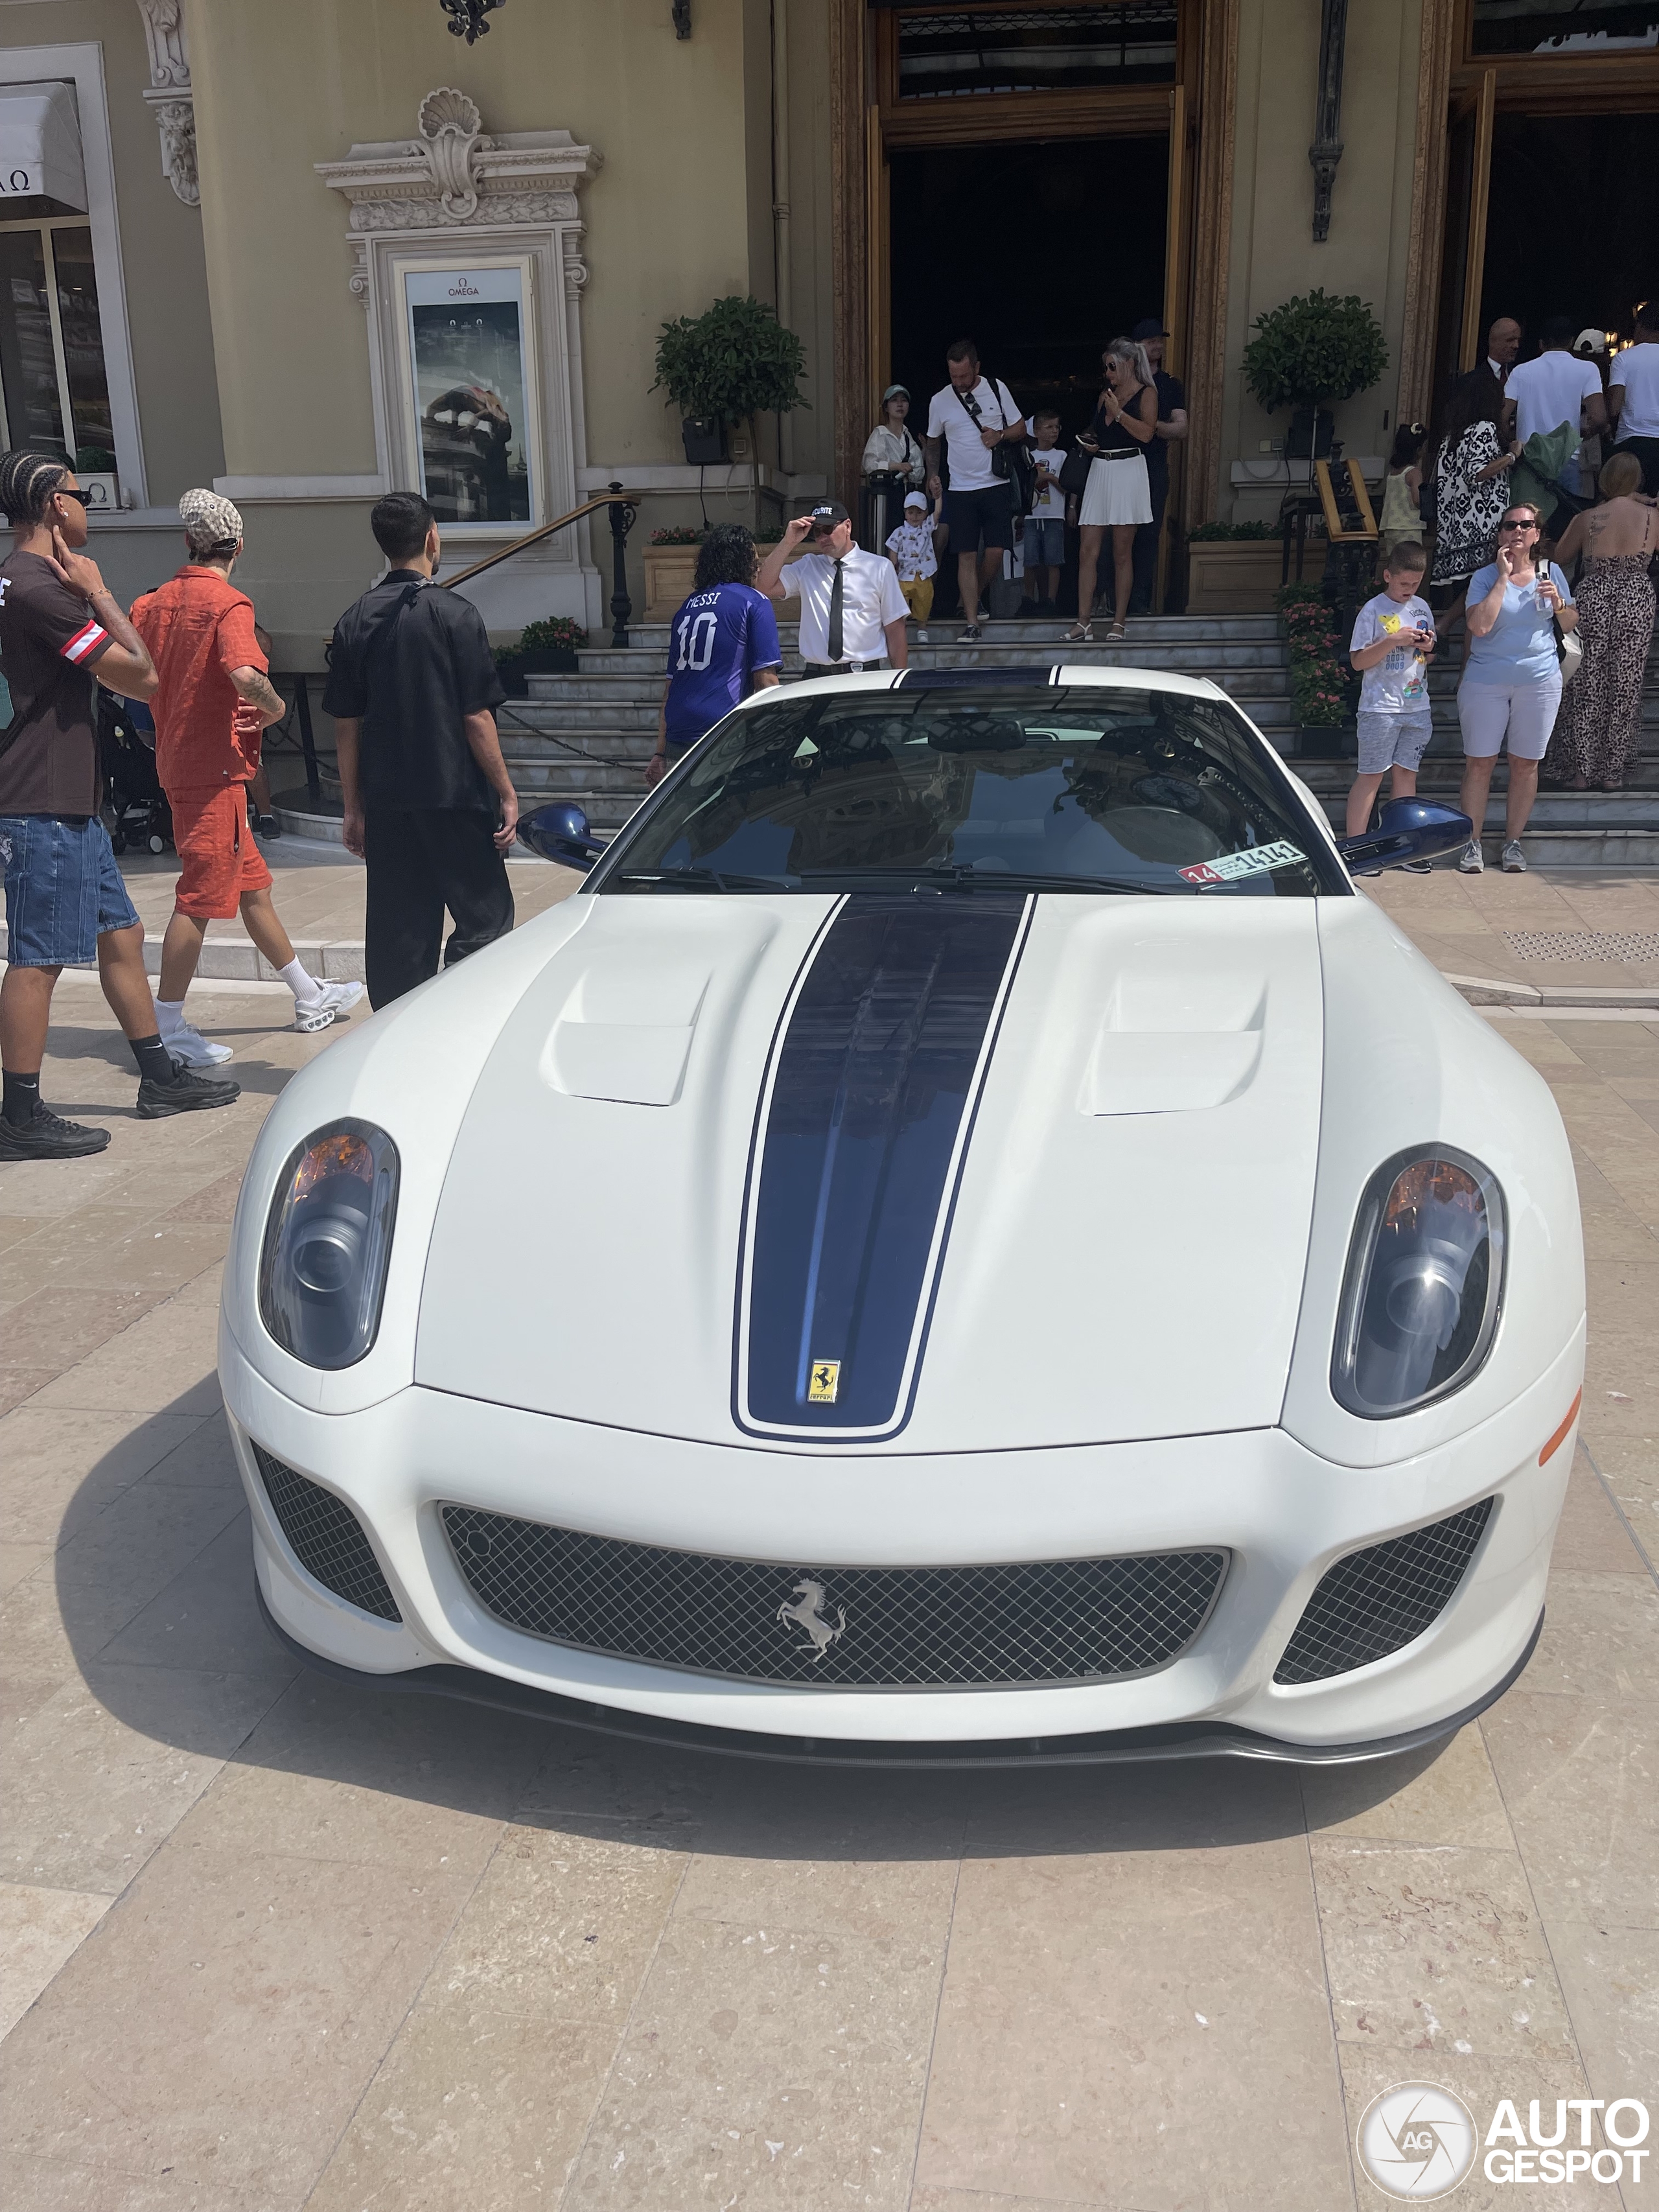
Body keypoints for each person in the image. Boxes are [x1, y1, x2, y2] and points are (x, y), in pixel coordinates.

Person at [0, 450, 238, 1161]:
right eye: (79, 495)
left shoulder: (12, 581)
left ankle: (160, 1076)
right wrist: (101, 594)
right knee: (38, 958)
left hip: (58, 790)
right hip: (45, 795)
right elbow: (142, 678)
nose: (85, 507)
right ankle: (20, 1113)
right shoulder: (45, 589)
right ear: (53, 506)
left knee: (121, 934)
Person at [130, 491, 362, 1064]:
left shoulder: (150, 604)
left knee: (252, 889)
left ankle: (309, 995)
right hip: (214, 771)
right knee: (199, 898)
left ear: (188, 541)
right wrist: (276, 706)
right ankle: (167, 1025)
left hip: (184, 764)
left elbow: (130, 675)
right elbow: (241, 671)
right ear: (239, 545)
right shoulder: (230, 604)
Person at [323, 491, 518, 1010]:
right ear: (432, 537)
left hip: (388, 803)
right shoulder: (455, 614)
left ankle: (400, 1037)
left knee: (399, 938)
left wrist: (352, 806)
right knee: (486, 918)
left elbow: (347, 725)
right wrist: (506, 791)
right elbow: (476, 717)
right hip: (453, 795)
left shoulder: (353, 621)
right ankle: (462, 1011)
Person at [1456, 501, 1578, 875]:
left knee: (1526, 765)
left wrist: (1558, 603)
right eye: (1511, 526)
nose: (1518, 531)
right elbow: (1479, 627)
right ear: (1501, 534)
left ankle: (1513, 844)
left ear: (1537, 534)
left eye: (1526, 525)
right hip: (1486, 679)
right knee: (1480, 764)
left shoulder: (1552, 571)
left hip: (1539, 680)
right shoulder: (1484, 577)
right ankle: (1471, 844)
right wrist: (1503, 578)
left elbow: (1571, 621)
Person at [1542, 451, 1658, 791]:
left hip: (1594, 594)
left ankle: (1581, 771)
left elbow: (1559, 556)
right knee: (1626, 684)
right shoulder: (1652, 517)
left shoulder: (1589, 518)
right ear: (1636, 481)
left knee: (1586, 682)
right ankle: (1612, 772)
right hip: (1637, 594)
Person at [648, 523, 780, 786]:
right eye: (754, 559)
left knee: (685, 819)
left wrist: (659, 752)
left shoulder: (686, 607)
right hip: (722, 730)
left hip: (678, 729)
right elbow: (766, 682)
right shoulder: (754, 601)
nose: (759, 566)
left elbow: (669, 687)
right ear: (742, 562)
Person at [923, 340, 1026, 642]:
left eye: (964, 377)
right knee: (966, 554)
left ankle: (972, 596)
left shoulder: (997, 388)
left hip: (996, 484)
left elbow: (1021, 428)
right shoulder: (940, 400)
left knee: (996, 550)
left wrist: (1001, 435)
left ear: (976, 368)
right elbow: (932, 441)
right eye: (954, 377)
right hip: (960, 488)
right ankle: (971, 621)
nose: (959, 383)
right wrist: (932, 475)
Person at [1345, 541, 1437, 860]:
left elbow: (1430, 652)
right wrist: (1392, 641)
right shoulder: (1372, 610)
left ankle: (1404, 849)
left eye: (1416, 583)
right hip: (1379, 708)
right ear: (1387, 576)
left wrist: (1426, 646)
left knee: (1406, 776)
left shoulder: (1422, 607)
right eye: (1403, 584)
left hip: (1416, 706)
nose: (1409, 590)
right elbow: (1358, 661)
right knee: (1371, 776)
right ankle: (1357, 849)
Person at [1069, 338, 1156, 644]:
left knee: (1122, 553)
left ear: (1129, 363)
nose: (1108, 373)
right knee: (1087, 550)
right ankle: (1084, 622)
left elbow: (1147, 433)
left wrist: (1118, 413)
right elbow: (1098, 431)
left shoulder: (1147, 393)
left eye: (1112, 366)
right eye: (1106, 367)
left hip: (1129, 470)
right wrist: (1091, 443)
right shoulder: (1105, 396)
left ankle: (1118, 622)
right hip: (1101, 469)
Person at [756, 502, 909, 675]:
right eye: (817, 531)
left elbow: (895, 629)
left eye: (828, 529)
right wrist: (788, 542)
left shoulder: (880, 567)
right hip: (816, 675)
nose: (822, 537)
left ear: (848, 526)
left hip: (864, 674)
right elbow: (764, 587)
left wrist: (899, 681)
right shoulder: (808, 565)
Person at [1430, 373, 1518, 601]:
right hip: (1481, 528)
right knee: (1484, 591)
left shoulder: (1453, 435)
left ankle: (1448, 625)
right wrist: (1512, 455)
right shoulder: (1484, 428)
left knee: (1472, 593)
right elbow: (1477, 473)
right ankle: (1447, 625)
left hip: (1456, 532)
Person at [1128, 318, 1187, 615]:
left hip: (1153, 465)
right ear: (1136, 346)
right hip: (1122, 466)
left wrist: (1150, 427)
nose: (1158, 345)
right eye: (1151, 341)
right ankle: (1111, 600)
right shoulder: (1123, 381)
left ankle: (1140, 601)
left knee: (1150, 534)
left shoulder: (1169, 385)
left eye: (1160, 340)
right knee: (1119, 533)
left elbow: (1181, 429)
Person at [1501, 317, 1607, 482]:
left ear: (1541, 344)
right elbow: (1600, 419)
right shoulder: (1588, 370)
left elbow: (1502, 416)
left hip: (1528, 460)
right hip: (1568, 458)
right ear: (1571, 342)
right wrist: (1581, 437)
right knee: (1567, 508)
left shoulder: (1521, 372)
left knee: (1524, 508)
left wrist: (1512, 439)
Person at [1608, 301, 1659, 495]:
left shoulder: (1624, 358)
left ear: (1640, 326)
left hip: (1631, 443)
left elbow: (1614, 407)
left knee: (1625, 501)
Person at [1021, 412, 1067, 616]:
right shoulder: (1028, 456)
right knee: (1030, 560)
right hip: (1032, 515)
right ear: (1037, 431)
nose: (1054, 431)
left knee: (1053, 560)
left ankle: (1051, 601)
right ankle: (1028, 600)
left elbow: (1067, 486)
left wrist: (1047, 477)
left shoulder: (1062, 456)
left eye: (1057, 427)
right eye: (1049, 427)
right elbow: (1022, 488)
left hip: (1054, 514)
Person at [885, 489, 938, 638]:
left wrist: (938, 497)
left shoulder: (927, 528)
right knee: (899, 600)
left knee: (924, 600)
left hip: (923, 573)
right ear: (905, 513)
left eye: (919, 513)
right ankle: (900, 630)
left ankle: (922, 628)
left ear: (926, 513)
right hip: (904, 574)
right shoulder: (899, 532)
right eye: (911, 512)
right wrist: (893, 566)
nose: (914, 517)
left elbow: (938, 513)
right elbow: (893, 549)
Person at [1378, 422, 1428, 558]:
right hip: (1409, 527)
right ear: (1418, 450)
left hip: (1390, 526)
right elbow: (1417, 500)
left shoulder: (1393, 473)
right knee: (1411, 563)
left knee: (1395, 563)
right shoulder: (1414, 472)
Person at [861, 384, 926, 487]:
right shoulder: (880, 433)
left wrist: (924, 452)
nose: (900, 404)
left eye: (904, 400)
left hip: (907, 495)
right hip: (886, 495)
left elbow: (917, 471)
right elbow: (869, 465)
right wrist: (897, 466)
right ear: (886, 407)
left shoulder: (908, 436)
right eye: (894, 400)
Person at [1485, 316, 1522, 390]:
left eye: (1518, 340)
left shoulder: (1521, 376)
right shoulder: (1470, 382)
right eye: (1510, 340)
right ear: (1494, 342)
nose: (1516, 346)